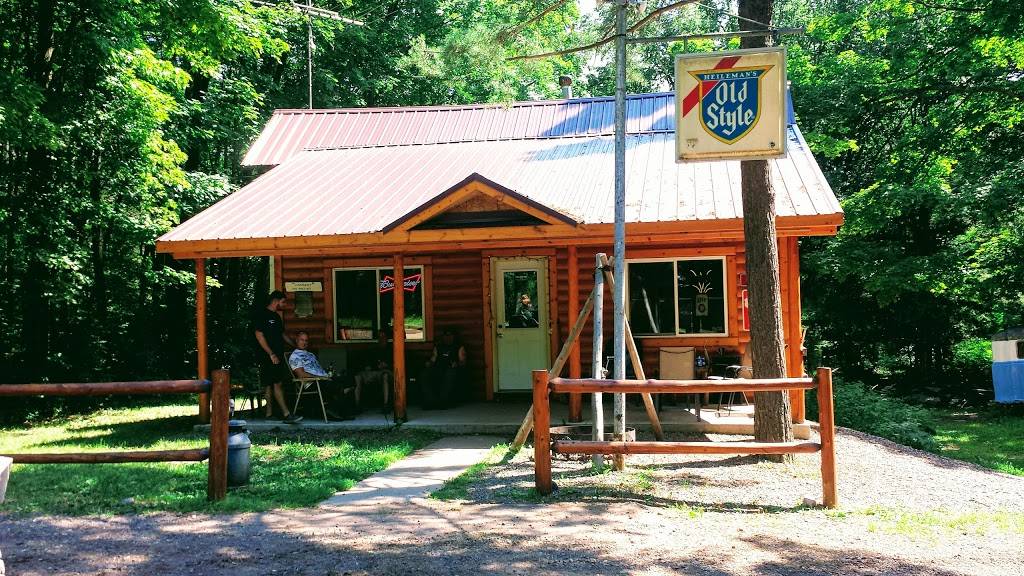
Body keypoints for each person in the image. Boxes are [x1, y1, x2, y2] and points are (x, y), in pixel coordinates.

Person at [252, 290, 302, 423]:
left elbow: (282, 334)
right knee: (277, 383)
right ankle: (287, 414)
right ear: (275, 301)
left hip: (277, 355)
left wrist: (294, 345)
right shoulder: (262, 315)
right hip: (268, 356)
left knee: (269, 384)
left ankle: (269, 415)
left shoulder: (276, 316)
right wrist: (271, 354)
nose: (284, 305)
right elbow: (259, 335)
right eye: (283, 302)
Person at [288, 331, 357, 420]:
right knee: (336, 386)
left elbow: (317, 369)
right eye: (302, 340)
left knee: (349, 379)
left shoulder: (310, 354)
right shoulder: (295, 356)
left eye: (306, 340)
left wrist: (328, 374)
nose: (304, 342)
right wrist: (320, 378)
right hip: (312, 383)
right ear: (297, 340)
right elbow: (301, 374)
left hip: (324, 378)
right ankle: (336, 410)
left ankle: (339, 408)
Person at [420, 328, 467, 409]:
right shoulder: (438, 347)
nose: (448, 337)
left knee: (449, 374)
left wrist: (456, 364)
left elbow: (463, 362)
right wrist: (429, 363)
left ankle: (443, 401)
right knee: (425, 374)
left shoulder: (458, 347)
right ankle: (431, 401)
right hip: (439, 368)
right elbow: (433, 359)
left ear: (453, 336)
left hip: (452, 369)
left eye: (450, 335)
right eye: (446, 336)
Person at [354, 329, 393, 412]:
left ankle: (386, 404)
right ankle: (357, 405)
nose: (381, 339)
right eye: (379, 337)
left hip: (386, 372)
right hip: (373, 372)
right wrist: (372, 366)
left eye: (383, 337)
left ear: (387, 338)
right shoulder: (373, 349)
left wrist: (386, 365)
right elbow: (368, 364)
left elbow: (395, 364)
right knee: (358, 377)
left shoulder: (391, 349)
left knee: (385, 376)